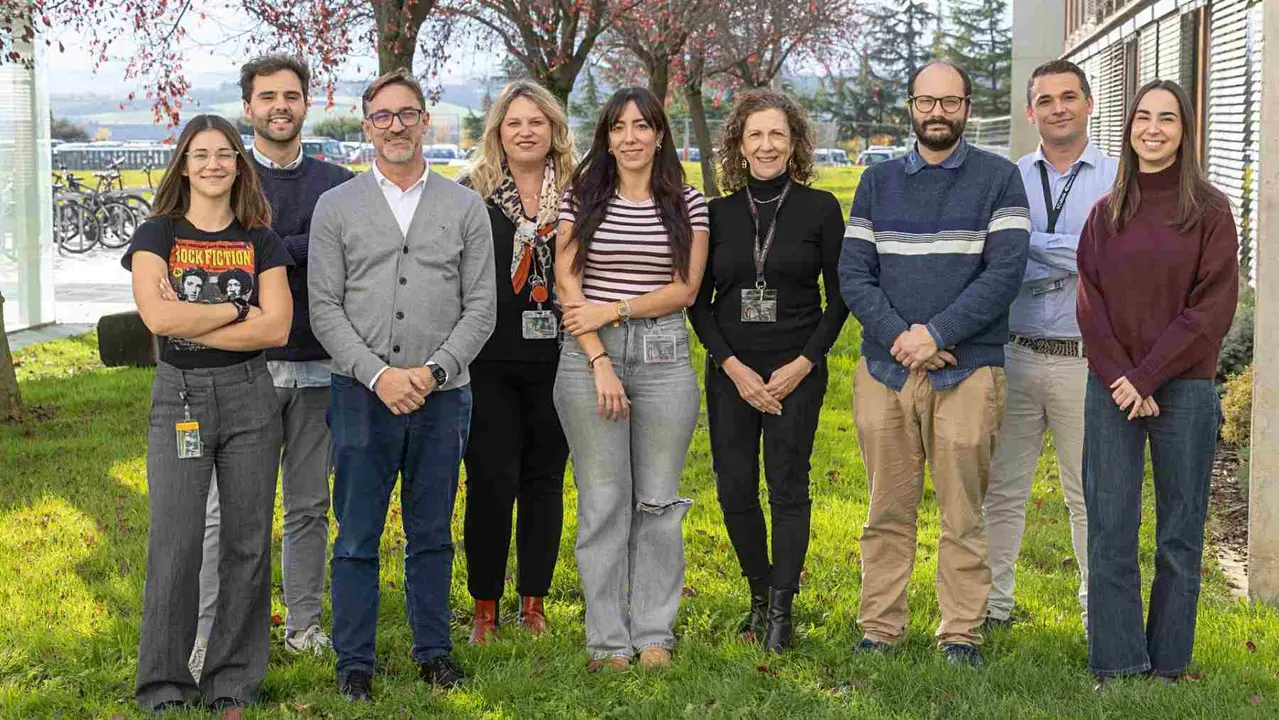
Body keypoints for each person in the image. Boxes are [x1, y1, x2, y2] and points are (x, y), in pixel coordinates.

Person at [309, 68, 496, 701]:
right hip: (360, 395)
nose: (395, 126)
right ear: (367, 127)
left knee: (433, 530)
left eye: (406, 114)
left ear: (424, 121)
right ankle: (353, 663)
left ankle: (434, 652)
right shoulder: (335, 207)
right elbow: (324, 307)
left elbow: (482, 308)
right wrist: (380, 375)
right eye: (382, 116)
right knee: (357, 533)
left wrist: (434, 371)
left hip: (444, 398)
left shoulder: (465, 206)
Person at [839, 60, 1030, 667]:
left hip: (967, 369)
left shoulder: (1000, 179)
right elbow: (853, 273)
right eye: (927, 102)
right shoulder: (877, 181)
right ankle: (879, 627)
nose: (937, 113)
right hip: (886, 369)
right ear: (911, 107)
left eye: (950, 102)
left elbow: (1004, 274)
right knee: (886, 509)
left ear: (967, 107)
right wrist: (904, 337)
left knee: (962, 511)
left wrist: (940, 333)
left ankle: (960, 634)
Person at [187, 55, 356, 683]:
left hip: (319, 364)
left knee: (309, 506)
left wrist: (263, 253)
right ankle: (211, 634)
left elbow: (340, 258)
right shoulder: (223, 177)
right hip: (241, 369)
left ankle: (305, 625)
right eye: (267, 97)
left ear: (307, 102)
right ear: (249, 107)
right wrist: (298, 250)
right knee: (225, 511)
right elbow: (212, 256)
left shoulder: (338, 183)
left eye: (291, 95)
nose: (279, 105)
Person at [125, 114, 293, 713]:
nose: (214, 164)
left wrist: (204, 316)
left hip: (251, 397)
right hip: (181, 398)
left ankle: (231, 682)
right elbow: (160, 320)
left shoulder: (260, 239)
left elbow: (276, 327)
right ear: (184, 165)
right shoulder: (156, 235)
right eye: (201, 155)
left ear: (239, 164)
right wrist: (234, 308)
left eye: (225, 153)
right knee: (177, 541)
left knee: (248, 543)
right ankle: (165, 686)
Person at [1078, 79, 1238, 685]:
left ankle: (1169, 663)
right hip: (1113, 388)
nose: (1152, 128)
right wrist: (1124, 376)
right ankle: (1117, 663)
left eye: (1166, 119)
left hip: (1186, 391)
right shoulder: (1107, 211)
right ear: (1128, 128)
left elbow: (1211, 311)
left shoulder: (1211, 212)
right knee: (1111, 527)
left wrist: (1146, 376)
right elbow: (1090, 306)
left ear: (1185, 130)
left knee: (1180, 530)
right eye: (1142, 117)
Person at [553, 87, 708, 672]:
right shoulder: (581, 196)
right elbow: (569, 284)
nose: (631, 137)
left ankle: (653, 635)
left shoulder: (688, 203)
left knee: (659, 503)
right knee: (603, 502)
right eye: (619, 128)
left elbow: (684, 289)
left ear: (660, 134)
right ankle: (608, 642)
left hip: (666, 357)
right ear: (607, 138)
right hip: (587, 356)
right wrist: (599, 359)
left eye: (642, 126)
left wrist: (613, 309)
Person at [688, 88, 848, 652]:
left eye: (777, 134)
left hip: (796, 372)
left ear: (794, 142)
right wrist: (732, 367)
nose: (766, 145)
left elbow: (840, 299)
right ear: (739, 143)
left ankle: (783, 609)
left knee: (787, 486)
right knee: (734, 489)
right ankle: (758, 594)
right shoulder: (716, 213)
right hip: (733, 373)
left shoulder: (821, 210)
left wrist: (803, 364)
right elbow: (697, 302)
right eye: (755, 134)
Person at [981, 59, 1118, 632]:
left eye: (1069, 96)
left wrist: (1035, 249)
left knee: (1088, 494)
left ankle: (1097, 613)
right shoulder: (1008, 178)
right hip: (1013, 354)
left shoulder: (1117, 178)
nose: (1058, 107)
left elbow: (1113, 262)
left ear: (1089, 103)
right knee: (1002, 490)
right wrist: (1075, 252)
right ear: (1030, 111)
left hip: (1084, 360)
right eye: (1046, 99)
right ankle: (993, 607)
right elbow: (998, 260)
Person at [456, 80, 575, 644]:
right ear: (498, 132)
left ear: (553, 130)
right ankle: (484, 608)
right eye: (514, 123)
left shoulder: (579, 193)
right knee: (489, 479)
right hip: (488, 359)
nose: (526, 131)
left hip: (560, 356)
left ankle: (533, 604)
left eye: (536, 122)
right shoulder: (470, 193)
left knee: (544, 480)